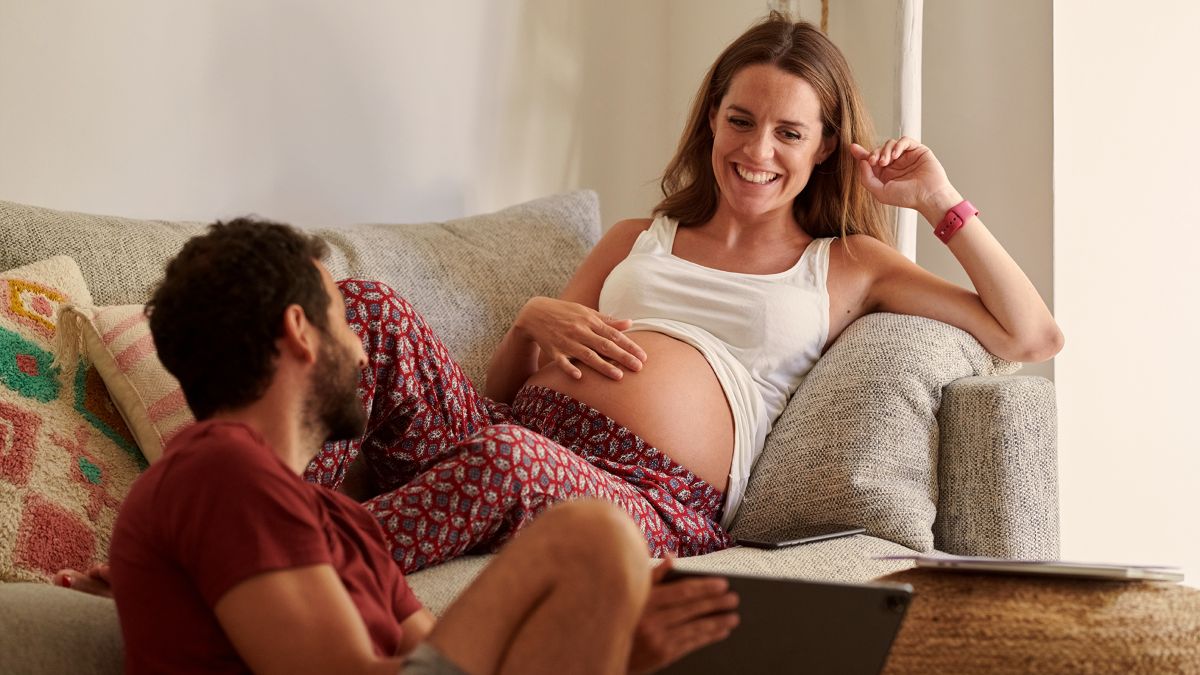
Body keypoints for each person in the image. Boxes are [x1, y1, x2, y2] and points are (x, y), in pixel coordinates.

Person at [295, 12, 1062, 574]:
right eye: (741, 121)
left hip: (652, 502)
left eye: (789, 133)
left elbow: (1030, 336)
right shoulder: (638, 235)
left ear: (825, 145)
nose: (757, 150)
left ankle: (287, 561)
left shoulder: (849, 263)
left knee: (507, 458)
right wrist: (531, 321)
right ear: (712, 122)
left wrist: (938, 199)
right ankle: (283, 502)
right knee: (362, 306)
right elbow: (498, 393)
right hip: (511, 433)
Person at [99, 220, 738, 673]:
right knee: (589, 537)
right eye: (341, 321)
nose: (357, 346)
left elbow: (451, 657)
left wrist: (621, 654)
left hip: (642, 495)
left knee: (595, 542)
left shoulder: (343, 527)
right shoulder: (220, 471)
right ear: (300, 333)